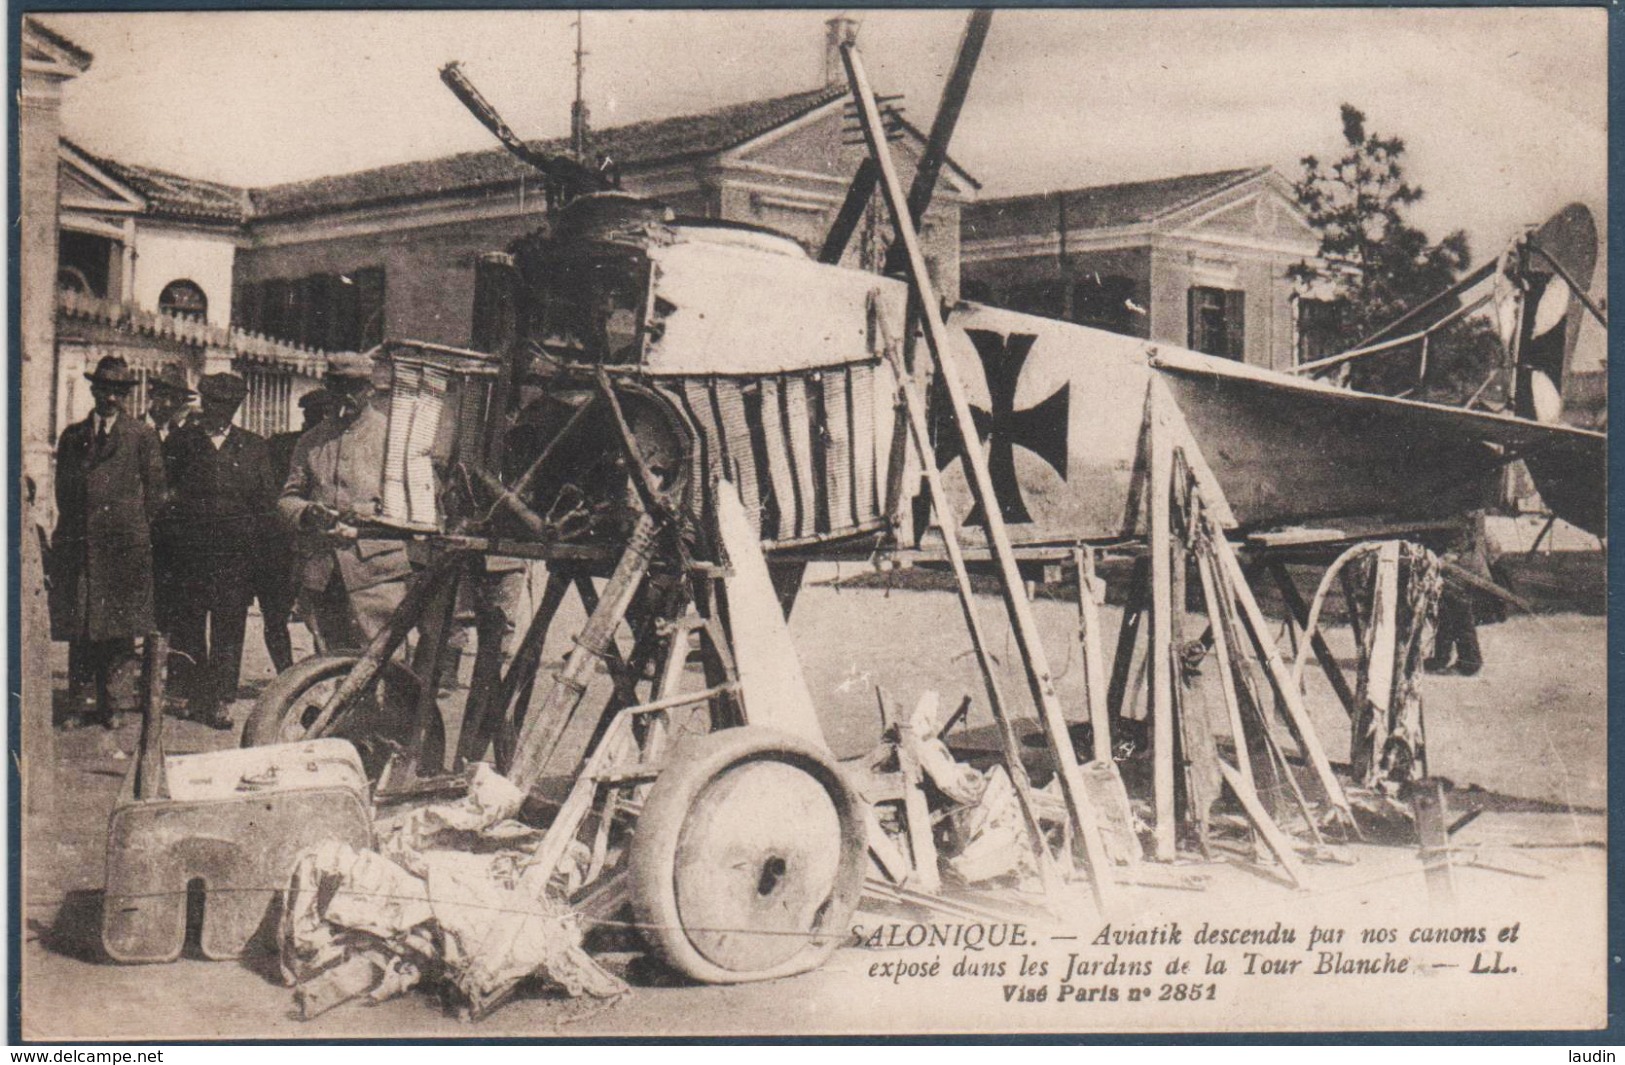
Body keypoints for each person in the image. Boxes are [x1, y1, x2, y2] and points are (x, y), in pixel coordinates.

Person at [49, 355, 167, 729]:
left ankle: (113, 704)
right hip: (82, 547)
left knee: (119, 631)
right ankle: (79, 703)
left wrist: (133, 531)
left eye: (118, 391)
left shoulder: (140, 437)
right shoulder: (73, 436)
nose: (111, 398)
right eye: (104, 389)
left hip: (123, 550)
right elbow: (63, 491)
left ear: (125, 395)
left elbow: (156, 492)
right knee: (82, 627)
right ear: (94, 390)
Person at [162, 373, 277, 728]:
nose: (219, 412)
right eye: (213, 403)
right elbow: (165, 497)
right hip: (190, 556)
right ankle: (193, 696)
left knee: (229, 630)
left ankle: (220, 701)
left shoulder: (255, 447)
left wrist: (257, 562)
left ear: (236, 408)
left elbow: (266, 507)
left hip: (235, 560)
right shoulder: (181, 442)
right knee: (189, 627)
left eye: (227, 406)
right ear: (205, 403)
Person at [279, 354, 412, 653]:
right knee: (330, 660)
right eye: (337, 387)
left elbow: (415, 503)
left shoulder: (394, 438)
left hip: (377, 573)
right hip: (323, 571)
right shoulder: (311, 441)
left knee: (384, 661)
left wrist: (367, 513)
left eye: (354, 387)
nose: (346, 396)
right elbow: (288, 498)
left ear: (370, 389)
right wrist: (307, 512)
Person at [258, 389, 334, 672]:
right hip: (282, 546)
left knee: (319, 617)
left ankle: (304, 672)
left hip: (312, 548)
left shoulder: (333, 445)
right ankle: (286, 673)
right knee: (277, 617)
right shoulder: (283, 445)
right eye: (317, 414)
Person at [146, 363, 196, 643]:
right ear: (151, 394)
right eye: (163, 396)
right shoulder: (133, 430)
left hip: (173, 537)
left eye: (175, 399)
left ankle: (157, 669)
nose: (168, 404)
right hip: (142, 531)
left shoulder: (186, 436)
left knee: (169, 606)